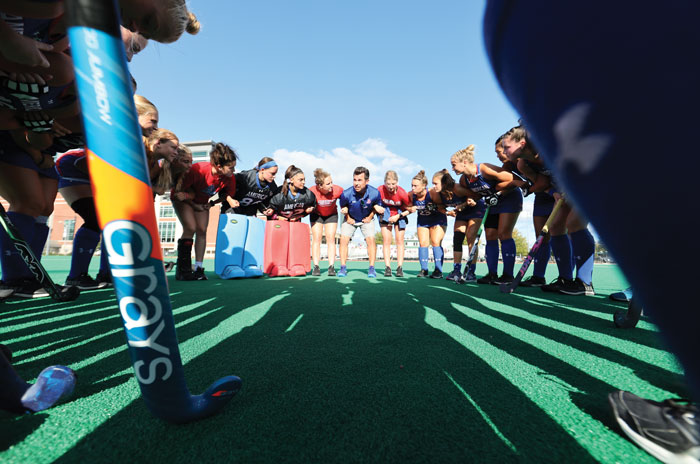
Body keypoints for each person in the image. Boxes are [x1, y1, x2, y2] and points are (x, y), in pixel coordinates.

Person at [483, 2, 699, 460]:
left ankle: (580, 281)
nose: (504, 154)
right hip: (565, 181)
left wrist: (561, 178)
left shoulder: (534, 138)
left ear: (515, 138)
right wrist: (542, 179)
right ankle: (571, 280)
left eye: (505, 148)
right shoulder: (525, 157)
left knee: (571, 222)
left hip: (576, 175)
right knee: (555, 225)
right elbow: (541, 181)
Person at [451, 144, 521, 285]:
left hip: (509, 198)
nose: (452, 168)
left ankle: (508, 275)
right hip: (493, 203)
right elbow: (476, 195)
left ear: (464, 162)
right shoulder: (463, 180)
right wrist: (471, 200)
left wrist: (496, 191)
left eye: (454, 165)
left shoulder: (483, 169)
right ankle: (492, 274)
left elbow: (511, 178)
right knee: (490, 236)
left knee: (504, 234)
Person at [173, 142, 238, 281]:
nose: (234, 170)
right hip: (182, 197)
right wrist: (193, 204)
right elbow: (179, 191)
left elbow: (226, 194)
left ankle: (198, 268)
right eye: (231, 168)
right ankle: (183, 269)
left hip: (201, 202)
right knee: (191, 227)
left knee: (202, 230)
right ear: (219, 167)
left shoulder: (229, 178)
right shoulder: (198, 169)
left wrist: (212, 203)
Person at [435, 169, 486, 283]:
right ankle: (456, 270)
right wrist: (449, 212)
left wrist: (463, 204)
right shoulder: (439, 194)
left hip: (476, 209)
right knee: (457, 239)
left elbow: (476, 195)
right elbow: (440, 207)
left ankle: (471, 272)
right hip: (462, 213)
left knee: (470, 237)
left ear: (443, 183)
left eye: (435, 183)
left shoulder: (457, 188)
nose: (434, 186)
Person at [337, 166, 384, 278]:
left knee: (371, 240)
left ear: (367, 181)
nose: (356, 183)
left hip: (366, 219)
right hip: (350, 218)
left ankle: (372, 268)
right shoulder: (346, 194)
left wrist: (370, 216)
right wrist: (347, 217)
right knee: (343, 240)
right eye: (354, 180)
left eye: (360, 180)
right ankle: (343, 267)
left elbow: (376, 206)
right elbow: (343, 207)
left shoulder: (375, 193)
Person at [408, 170, 447, 278]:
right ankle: (424, 269)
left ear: (424, 185)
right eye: (412, 185)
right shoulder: (411, 195)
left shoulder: (432, 193)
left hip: (438, 219)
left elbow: (442, 207)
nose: (412, 188)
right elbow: (407, 207)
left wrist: (434, 207)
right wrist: (410, 208)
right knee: (423, 243)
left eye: (415, 186)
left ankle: (438, 270)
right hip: (423, 220)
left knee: (435, 242)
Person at [309, 168, 343, 276]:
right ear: (320, 186)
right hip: (317, 215)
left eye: (332, 182)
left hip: (331, 215)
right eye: (328, 184)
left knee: (330, 239)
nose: (331, 185)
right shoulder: (311, 191)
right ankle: (316, 266)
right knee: (317, 238)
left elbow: (346, 201)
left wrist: (345, 208)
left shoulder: (338, 190)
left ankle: (331, 267)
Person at [377, 170, 410, 277]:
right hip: (386, 213)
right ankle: (388, 267)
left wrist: (398, 216)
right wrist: (376, 207)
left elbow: (410, 209)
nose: (391, 187)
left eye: (393, 184)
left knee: (399, 241)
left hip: (400, 214)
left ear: (397, 182)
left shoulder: (402, 193)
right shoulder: (380, 190)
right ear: (384, 183)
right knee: (386, 240)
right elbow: (372, 202)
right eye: (388, 184)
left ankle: (399, 267)